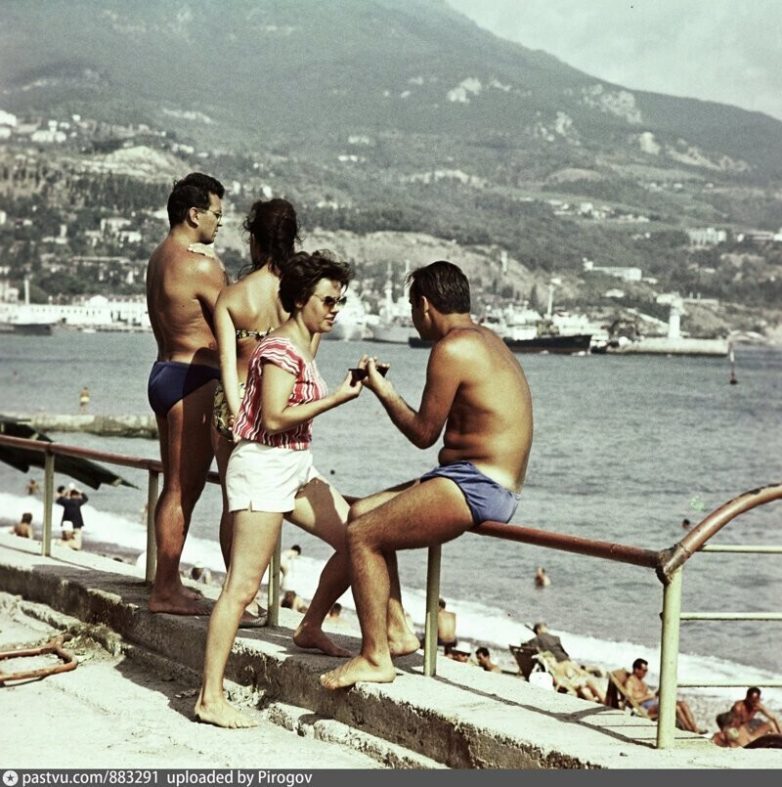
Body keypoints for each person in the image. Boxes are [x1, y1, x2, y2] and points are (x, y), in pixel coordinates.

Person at [321, 260, 533, 690]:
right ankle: (397, 631)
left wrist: (382, 391)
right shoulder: (488, 340)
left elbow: (423, 433)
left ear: (423, 305)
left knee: (362, 535)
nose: (413, 318)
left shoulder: (451, 348)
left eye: (410, 308)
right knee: (361, 512)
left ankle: (375, 658)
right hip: (476, 478)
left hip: (478, 484)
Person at [194, 250, 364, 728]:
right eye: (328, 300)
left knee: (359, 537)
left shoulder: (303, 344)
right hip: (263, 467)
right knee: (241, 588)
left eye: (340, 301)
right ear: (301, 299)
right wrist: (337, 398)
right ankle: (209, 697)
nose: (335, 309)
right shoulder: (280, 350)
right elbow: (271, 419)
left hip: (295, 465)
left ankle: (310, 626)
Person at [146, 172, 227, 615]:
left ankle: (167, 581)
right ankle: (165, 588)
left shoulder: (160, 257)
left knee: (174, 484)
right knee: (183, 488)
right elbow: (235, 321)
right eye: (216, 214)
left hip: (164, 371)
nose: (220, 222)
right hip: (193, 377)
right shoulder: (201, 266)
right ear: (194, 214)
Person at [212, 198, 302, 570]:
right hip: (280, 405)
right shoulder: (301, 297)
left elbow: (226, 364)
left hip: (235, 403)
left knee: (233, 504)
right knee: (271, 502)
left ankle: (236, 590)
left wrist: (238, 414)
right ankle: (254, 589)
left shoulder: (233, 295)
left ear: (254, 240)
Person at [524, 623, 605, 703]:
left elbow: (526, 648)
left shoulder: (534, 641)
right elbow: (564, 652)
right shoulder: (555, 638)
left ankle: (596, 702)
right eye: (545, 628)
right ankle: (604, 702)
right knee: (589, 681)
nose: (547, 630)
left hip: (559, 671)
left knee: (584, 689)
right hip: (567, 665)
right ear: (539, 629)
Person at [624, 658, 702, 733]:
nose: (646, 673)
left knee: (683, 703)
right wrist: (648, 697)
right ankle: (690, 730)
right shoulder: (630, 682)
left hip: (653, 704)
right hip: (645, 709)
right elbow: (630, 701)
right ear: (636, 670)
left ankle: (695, 728)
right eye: (644, 670)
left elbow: (649, 695)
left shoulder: (641, 682)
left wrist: (657, 693)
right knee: (675, 708)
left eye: (646, 670)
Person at [713, 687, 781, 747]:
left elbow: (773, 718)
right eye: (752, 701)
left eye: (756, 700)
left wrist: (779, 731)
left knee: (772, 724)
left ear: (759, 698)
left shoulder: (757, 705)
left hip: (749, 731)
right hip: (741, 733)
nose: (754, 703)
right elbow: (731, 723)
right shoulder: (738, 708)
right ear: (747, 698)